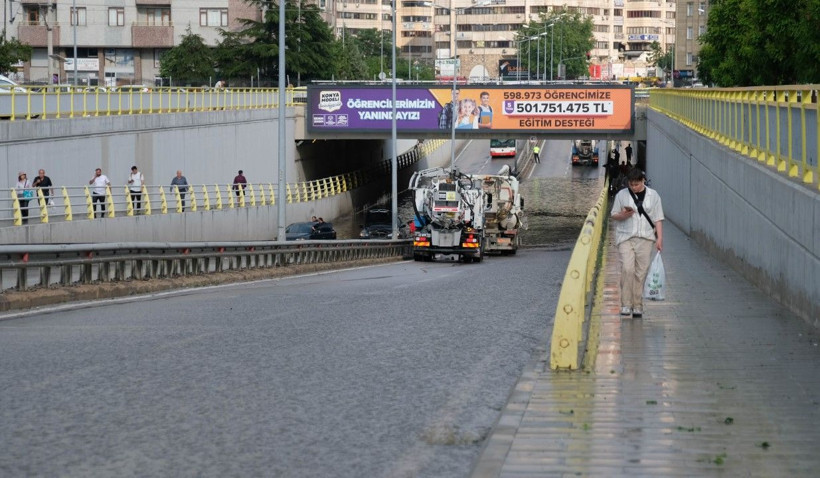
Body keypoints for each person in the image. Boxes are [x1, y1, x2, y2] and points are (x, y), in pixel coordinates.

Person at [610, 168, 664, 319]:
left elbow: (658, 218)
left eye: (636, 184)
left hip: (646, 238)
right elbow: (614, 214)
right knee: (627, 269)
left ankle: (637, 305)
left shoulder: (654, 196)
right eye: (631, 184)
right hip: (625, 237)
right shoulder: (622, 195)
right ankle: (625, 304)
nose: (633, 187)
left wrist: (659, 238)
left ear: (643, 181)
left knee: (641, 273)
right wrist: (623, 215)